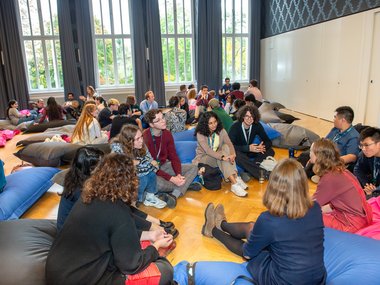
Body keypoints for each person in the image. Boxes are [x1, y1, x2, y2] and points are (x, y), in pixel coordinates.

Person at [46, 153, 175, 285]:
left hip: (56, 272)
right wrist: (156, 246)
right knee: (165, 270)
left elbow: (115, 233)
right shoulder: (118, 212)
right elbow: (131, 265)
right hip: (83, 279)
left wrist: (150, 234)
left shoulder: (88, 196)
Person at [201, 158, 326, 285]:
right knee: (253, 228)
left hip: (282, 281)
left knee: (249, 246)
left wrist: (252, 243)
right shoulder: (315, 207)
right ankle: (222, 223)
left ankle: (213, 230)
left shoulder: (269, 219)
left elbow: (248, 254)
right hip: (318, 278)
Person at [311, 138, 372, 233]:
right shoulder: (340, 171)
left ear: (318, 156)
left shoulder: (330, 177)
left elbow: (311, 205)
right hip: (360, 218)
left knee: (304, 217)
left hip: (351, 224)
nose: (309, 153)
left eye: (311, 151)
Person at [143, 109, 200, 208]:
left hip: (164, 165)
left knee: (194, 168)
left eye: (163, 117)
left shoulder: (167, 134)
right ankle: (185, 186)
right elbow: (150, 167)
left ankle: (174, 194)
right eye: (158, 120)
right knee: (156, 183)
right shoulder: (145, 137)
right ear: (151, 124)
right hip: (152, 171)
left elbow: (173, 156)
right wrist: (172, 179)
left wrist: (178, 174)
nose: (163, 121)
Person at [193, 111, 248, 197]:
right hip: (204, 159)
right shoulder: (200, 133)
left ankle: (235, 179)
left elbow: (229, 143)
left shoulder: (221, 130)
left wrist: (233, 154)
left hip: (218, 156)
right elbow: (207, 150)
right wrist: (222, 157)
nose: (214, 125)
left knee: (226, 147)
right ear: (205, 124)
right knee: (223, 153)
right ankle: (234, 182)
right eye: (210, 123)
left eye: (215, 122)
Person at [111, 125, 167, 208]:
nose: (141, 141)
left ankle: (149, 198)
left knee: (151, 174)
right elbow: (120, 174)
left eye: (141, 137)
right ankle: (133, 202)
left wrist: (148, 163)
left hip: (137, 178)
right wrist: (139, 164)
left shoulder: (142, 146)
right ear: (128, 141)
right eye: (137, 139)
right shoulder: (117, 152)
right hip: (121, 181)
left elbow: (152, 163)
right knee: (143, 177)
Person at [57, 147, 104, 231]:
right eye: (101, 165)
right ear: (90, 169)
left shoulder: (75, 178)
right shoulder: (81, 190)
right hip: (72, 235)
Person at [228, 105, 275, 180]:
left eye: (252, 116)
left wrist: (261, 147)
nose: (249, 119)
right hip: (239, 151)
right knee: (236, 154)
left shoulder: (257, 125)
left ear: (255, 117)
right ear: (242, 116)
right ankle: (263, 173)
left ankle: (249, 169)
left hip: (250, 151)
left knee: (270, 151)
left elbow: (268, 141)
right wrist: (247, 148)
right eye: (247, 116)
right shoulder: (235, 127)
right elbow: (229, 147)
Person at [354, 127, 380, 198]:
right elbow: (358, 169)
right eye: (361, 145)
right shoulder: (365, 154)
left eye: (366, 145)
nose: (363, 149)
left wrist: (375, 191)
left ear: (378, 143)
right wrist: (367, 185)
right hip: (371, 188)